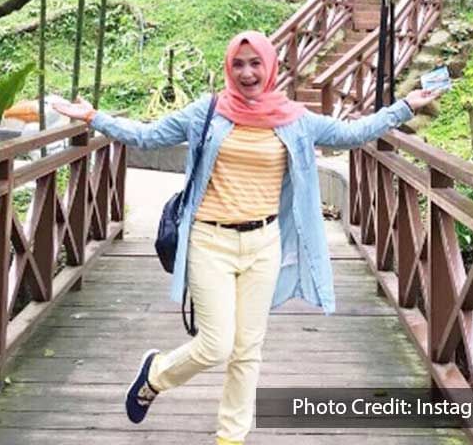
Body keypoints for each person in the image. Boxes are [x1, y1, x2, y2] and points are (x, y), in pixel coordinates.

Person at [53, 30, 438, 445]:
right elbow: (148, 136)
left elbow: (350, 134)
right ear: (228, 67)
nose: (247, 72)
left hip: (263, 243)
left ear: (270, 65)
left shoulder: (294, 119)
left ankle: (230, 437)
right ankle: (155, 375)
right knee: (216, 344)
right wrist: (94, 117)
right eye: (238, 63)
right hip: (209, 240)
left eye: (255, 63)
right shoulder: (208, 112)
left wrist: (402, 108)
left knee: (248, 349)